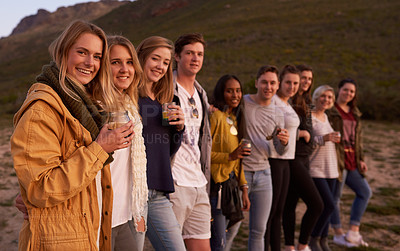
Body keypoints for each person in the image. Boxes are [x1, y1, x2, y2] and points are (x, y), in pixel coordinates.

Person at [11, 20, 134, 251]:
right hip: (61, 239)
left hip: (88, 228)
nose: (90, 62)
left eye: (97, 56)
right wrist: (100, 149)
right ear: (63, 52)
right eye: (82, 52)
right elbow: (40, 188)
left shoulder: (83, 105)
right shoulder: (42, 109)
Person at [136, 36, 186, 251]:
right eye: (155, 59)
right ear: (142, 58)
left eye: (166, 62)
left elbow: (167, 151)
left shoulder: (166, 100)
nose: (160, 66)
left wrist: (179, 129)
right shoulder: (128, 97)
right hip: (132, 193)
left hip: (157, 193)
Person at [169, 33, 212, 251]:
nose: (195, 58)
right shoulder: (165, 89)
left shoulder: (201, 94)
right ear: (177, 56)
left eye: (199, 54)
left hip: (198, 182)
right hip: (174, 182)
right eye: (189, 53)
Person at [106, 35, 148, 251]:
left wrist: (138, 208)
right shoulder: (94, 106)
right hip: (99, 216)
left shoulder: (130, 104)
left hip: (124, 214)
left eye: (129, 62)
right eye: (116, 62)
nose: (125, 69)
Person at [242, 65, 289, 251]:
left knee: (258, 231)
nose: (268, 87)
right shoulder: (243, 102)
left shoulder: (278, 113)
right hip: (241, 173)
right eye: (264, 82)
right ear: (256, 83)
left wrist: (283, 143)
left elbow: (279, 151)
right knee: (232, 226)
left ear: (278, 86)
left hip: (264, 174)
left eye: (272, 83)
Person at [282, 65, 323, 251]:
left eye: (309, 79)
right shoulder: (290, 100)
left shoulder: (305, 100)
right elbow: (281, 124)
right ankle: (302, 246)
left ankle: (290, 246)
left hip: (304, 158)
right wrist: (300, 133)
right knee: (317, 204)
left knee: (290, 203)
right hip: (294, 158)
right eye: (303, 78)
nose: (306, 82)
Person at [327, 78, 371, 247]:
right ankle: (338, 233)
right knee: (335, 198)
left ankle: (353, 232)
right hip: (337, 160)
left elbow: (358, 140)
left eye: (352, 91)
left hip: (353, 160)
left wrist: (361, 159)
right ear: (339, 90)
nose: (348, 94)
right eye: (345, 90)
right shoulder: (331, 110)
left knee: (365, 192)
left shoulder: (355, 113)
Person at [209, 74, 251, 251]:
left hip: (232, 185)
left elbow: (238, 157)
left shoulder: (234, 118)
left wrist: (244, 189)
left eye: (238, 91)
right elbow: (204, 154)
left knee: (228, 235)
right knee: (218, 242)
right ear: (221, 93)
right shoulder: (216, 117)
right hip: (217, 186)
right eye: (229, 91)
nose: (235, 95)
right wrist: (229, 156)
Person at [266, 64, 300, 251]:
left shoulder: (288, 103)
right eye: (288, 82)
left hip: (287, 159)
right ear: (280, 83)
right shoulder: (274, 102)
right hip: (275, 158)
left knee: (279, 210)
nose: (292, 87)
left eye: (295, 83)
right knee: (272, 212)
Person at [308, 85, 340, 251]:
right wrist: (325, 138)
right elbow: (307, 143)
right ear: (316, 97)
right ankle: (313, 237)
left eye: (329, 97)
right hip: (316, 168)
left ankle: (323, 240)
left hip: (331, 169)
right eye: (323, 96)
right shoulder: (310, 117)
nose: (326, 100)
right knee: (327, 205)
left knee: (330, 205)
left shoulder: (325, 116)